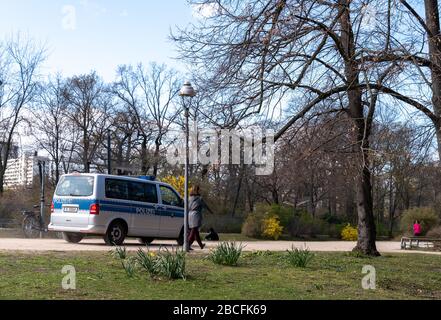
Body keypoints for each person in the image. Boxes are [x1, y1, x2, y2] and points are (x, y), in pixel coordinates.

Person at [188, 185, 214, 250]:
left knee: (195, 232)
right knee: (193, 231)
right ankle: (187, 245)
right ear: (198, 190)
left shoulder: (189, 198)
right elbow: (205, 205)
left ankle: (201, 245)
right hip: (196, 215)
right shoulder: (199, 198)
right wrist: (211, 211)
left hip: (190, 214)